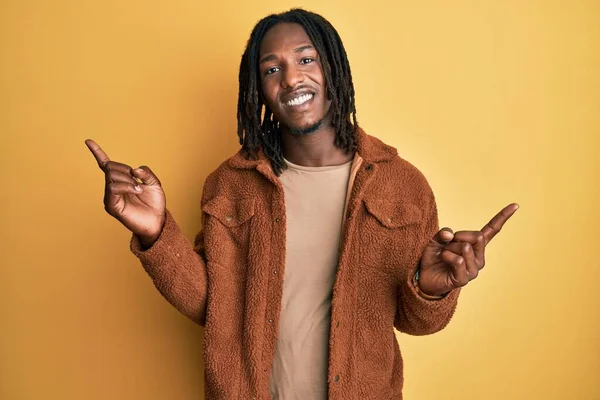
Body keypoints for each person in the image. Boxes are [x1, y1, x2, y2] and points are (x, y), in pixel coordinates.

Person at [85, 8, 518, 400]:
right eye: (272, 68)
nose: (291, 78)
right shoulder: (232, 184)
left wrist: (433, 286)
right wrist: (156, 232)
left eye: (306, 60)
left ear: (333, 68)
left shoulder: (400, 184)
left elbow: (416, 322)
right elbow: (214, 308)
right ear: (259, 89)